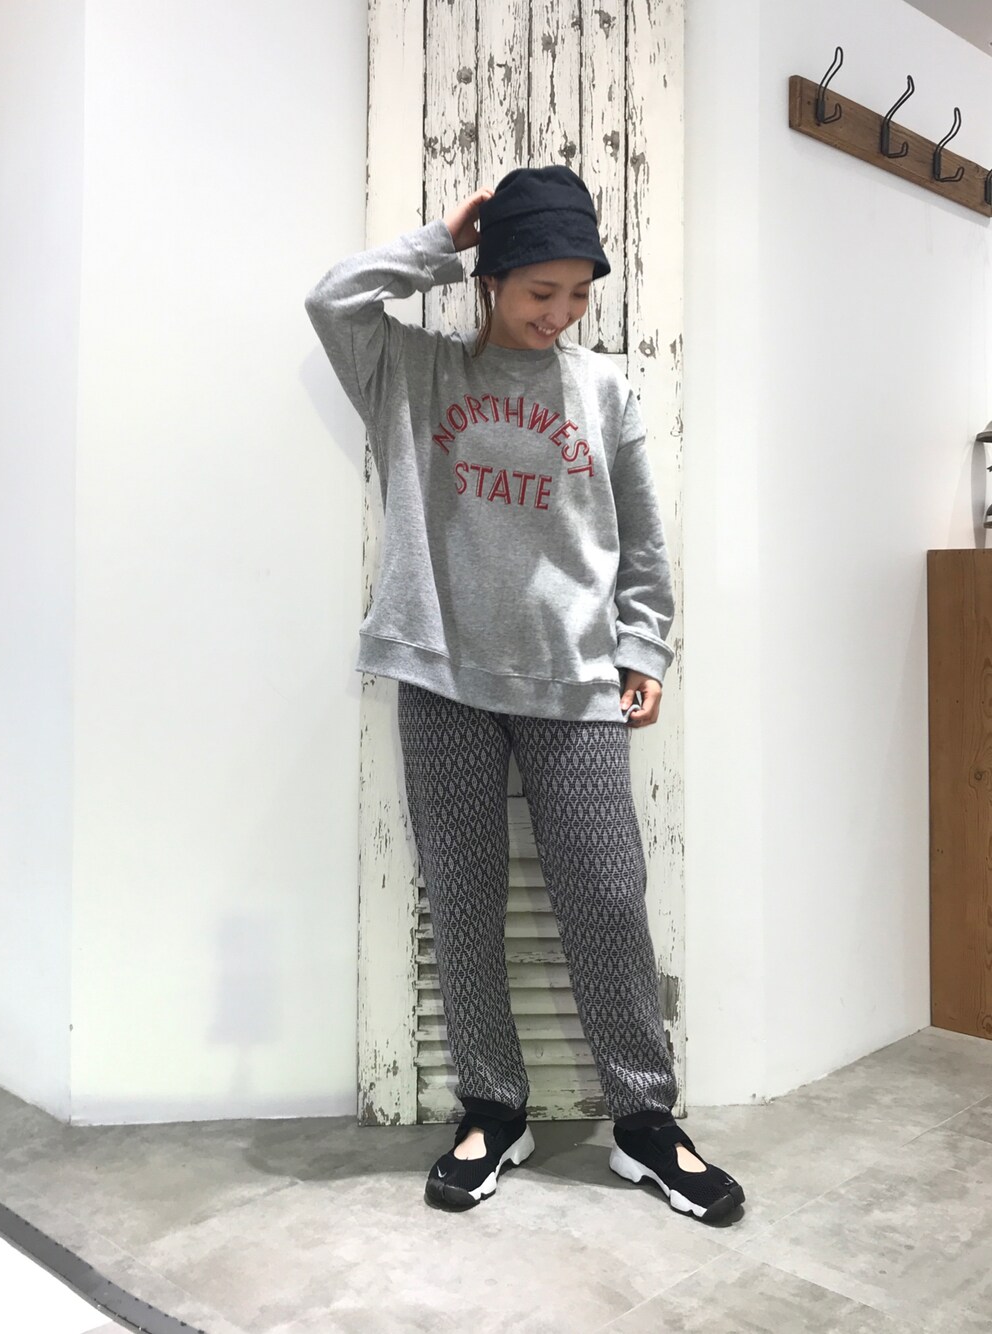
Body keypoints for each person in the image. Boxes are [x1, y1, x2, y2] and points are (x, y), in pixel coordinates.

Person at [304, 165, 745, 1224]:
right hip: (442, 674)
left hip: (575, 680)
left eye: (578, 293)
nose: (560, 312)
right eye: (540, 290)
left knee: (607, 897)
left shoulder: (603, 393)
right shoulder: (412, 372)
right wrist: (439, 241)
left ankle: (645, 1122)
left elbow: (642, 541)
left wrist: (644, 648)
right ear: (492, 278)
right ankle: (492, 1109)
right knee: (462, 901)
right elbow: (331, 299)